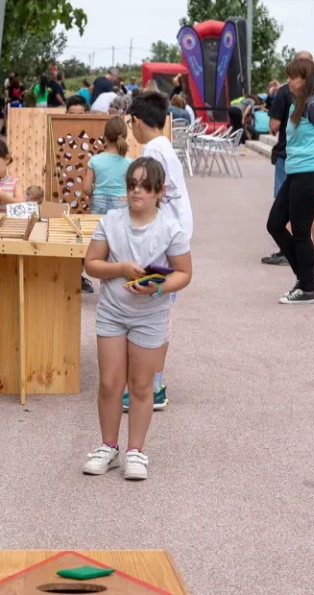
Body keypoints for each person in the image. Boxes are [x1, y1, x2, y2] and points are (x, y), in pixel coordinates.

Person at [82, 158, 193, 481]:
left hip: (150, 316)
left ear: (160, 191)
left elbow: (184, 273)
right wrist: (120, 268)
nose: (137, 192)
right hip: (112, 312)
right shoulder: (111, 221)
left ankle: (136, 451)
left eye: (145, 187)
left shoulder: (170, 229)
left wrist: (157, 288)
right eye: (132, 185)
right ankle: (108, 446)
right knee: (109, 383)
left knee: (142, 386)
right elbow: (91, 263)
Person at [120, 91, 192, 409]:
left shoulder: (152, 150)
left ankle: (151, 388)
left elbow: (149, 200)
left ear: (136, 121)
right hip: (172, 238)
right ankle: (152, 384)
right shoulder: (163, 146)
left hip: (163, 243)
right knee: (158, 316)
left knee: (154, 317)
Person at [265, 57, 314, 304]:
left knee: (300, 232)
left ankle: (307, 289)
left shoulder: (313, 105)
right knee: (275, 224)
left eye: (293, 77)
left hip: (311, 173)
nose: (288, 81)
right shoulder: (297, 104)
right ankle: (304, 277)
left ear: (306, 80)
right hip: (296, 173)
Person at [85, 115, 132, 214]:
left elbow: (86, 188)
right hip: (121, 201)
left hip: (98, 200)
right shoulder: (130, 163)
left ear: (105, 137)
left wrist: (95, 194)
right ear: (125, 137)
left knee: (99, 224)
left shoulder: (94, 160)